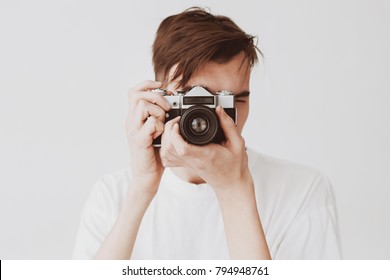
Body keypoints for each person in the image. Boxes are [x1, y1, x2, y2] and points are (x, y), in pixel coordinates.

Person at [73, 7, 342, 260]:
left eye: (233, 100)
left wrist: (234, 189)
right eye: (197, 99)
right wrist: (141, 190)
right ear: (160, 97)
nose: (217, 117)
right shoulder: (112, 196)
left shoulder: (302, 191)